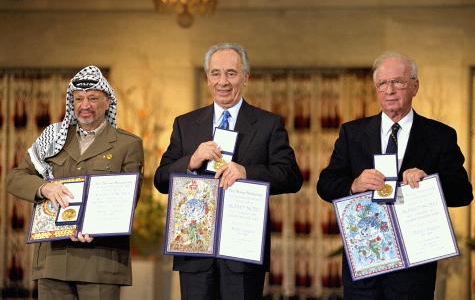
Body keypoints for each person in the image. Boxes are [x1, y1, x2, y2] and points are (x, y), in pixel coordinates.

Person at [316, 52, 473, 300]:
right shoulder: (352, 133)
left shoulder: (440, 135)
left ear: (415, 86)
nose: (389, 90)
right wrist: (354, 184)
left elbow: (463, 193)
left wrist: (428, 179)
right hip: (365, 261)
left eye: (398, 82)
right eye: (382, 84)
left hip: (414, 267)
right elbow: (325, 185)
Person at [154, 43, 303, 299]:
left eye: (231, 73)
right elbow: (161, 179)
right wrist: (192, 160)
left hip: (243, 250)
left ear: (246, 77)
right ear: (207, 78)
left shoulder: (268, 124)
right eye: (215, 73)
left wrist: (247, 172)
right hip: (194, 250)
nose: (223, 81)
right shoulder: (185, 124)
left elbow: (291, 176)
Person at [7, 66, 144, 300]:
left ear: (107, 102)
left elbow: (128, 199)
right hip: (53, 259)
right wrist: (44, 187)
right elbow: (15, 178)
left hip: (100, 262)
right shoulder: (53, 138)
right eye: (79, 99)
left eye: (93, 98)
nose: (85, 105)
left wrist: (96, 226)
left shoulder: (127, 144)